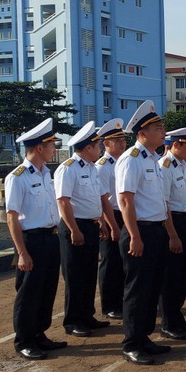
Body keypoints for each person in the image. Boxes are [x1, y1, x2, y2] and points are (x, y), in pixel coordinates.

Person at [115, 100, 171, 365]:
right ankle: (132, 343)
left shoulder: (153, 159)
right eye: (158, 128)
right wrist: (134, 236)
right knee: (137, 289)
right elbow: (126, 201)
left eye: (161, 127)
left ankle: (145, 337)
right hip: (141, 233)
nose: (163, 132)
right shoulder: (132, 159)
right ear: (142, 133)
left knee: (152, 287)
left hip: (156, 230)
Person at [5, 118, 66, 360]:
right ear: (40, 147)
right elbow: (11, 217)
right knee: (28, 293)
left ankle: (40, 334)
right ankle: (24, 340)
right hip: (31, 240)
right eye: (52, 144)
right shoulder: (18, 177)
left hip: (50, 238)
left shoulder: (45, 174)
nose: (55, 149)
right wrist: (22, 253)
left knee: (47, 289)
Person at [54, 120, 112, 338]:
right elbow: (63, 201)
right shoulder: (67, 169)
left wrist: (102, 222)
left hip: (91, 225)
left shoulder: (91, 168)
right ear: (88, 147)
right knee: (75, 276)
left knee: (88, 274)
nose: (101, 149)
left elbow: (95, 199)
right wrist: (74, 229)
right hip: (74, 227)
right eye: (98, 145)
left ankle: (87, 316)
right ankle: (73, 321)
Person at [159, 124, 186, 340]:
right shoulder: (165, 167)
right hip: (172, 223)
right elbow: (164, 204)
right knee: (171, 277)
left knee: (182, 273)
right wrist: (173, 234)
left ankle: (178, 319)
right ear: (175, 145)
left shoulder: (185, 167)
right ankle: (168, 323)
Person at [95, 118, 126, 320]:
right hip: (110, 215)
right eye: (117, 141)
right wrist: (108, 224)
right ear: (105, 144)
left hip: (124, 214)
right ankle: (110, 305)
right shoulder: (102, 166)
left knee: (124, 260)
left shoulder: (123, 162)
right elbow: (103, 199)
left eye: (123, 140)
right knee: (110, 261)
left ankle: (122, 299)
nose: (122, 144)